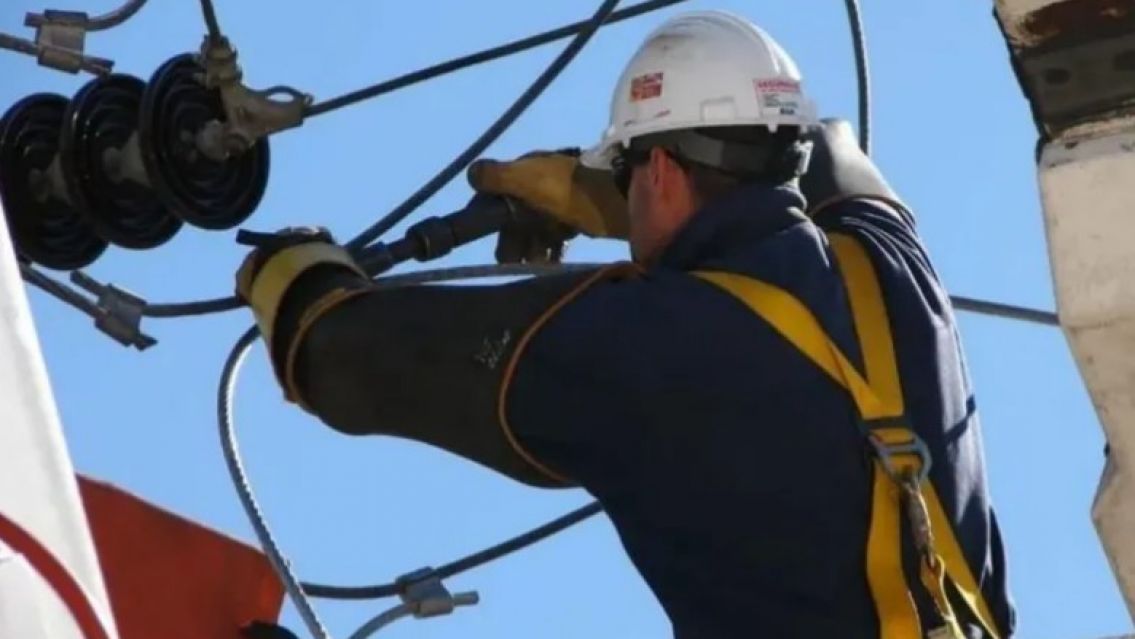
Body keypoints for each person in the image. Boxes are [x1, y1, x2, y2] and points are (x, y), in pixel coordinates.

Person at [234, 10, 1015, 638]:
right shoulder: (889, 263)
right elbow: (831, 148)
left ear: (666, 173)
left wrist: (291, 271)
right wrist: (610, 193)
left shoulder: (642, 346)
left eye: (630, 175)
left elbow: (339, 355)